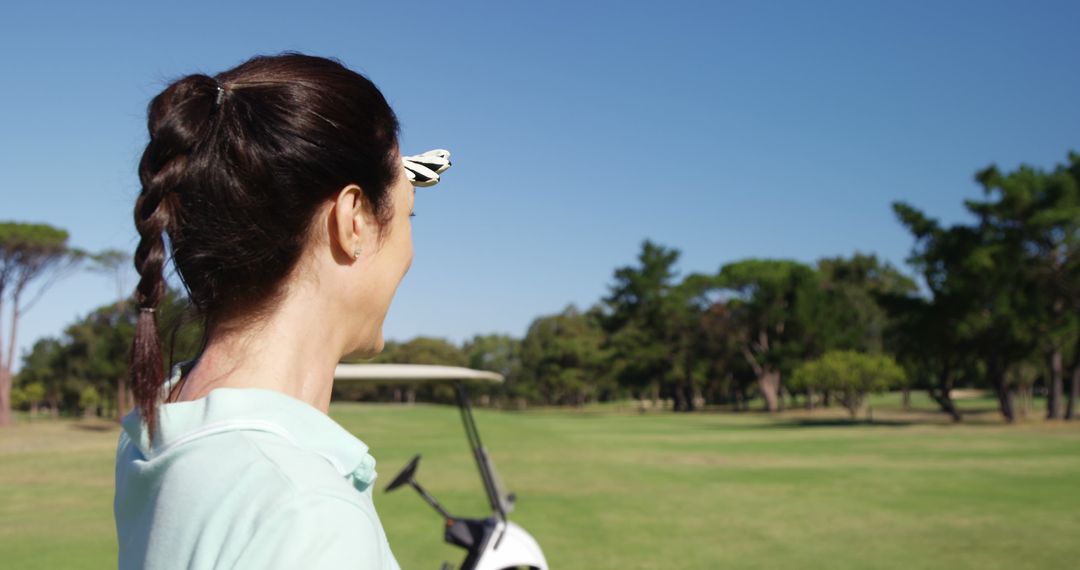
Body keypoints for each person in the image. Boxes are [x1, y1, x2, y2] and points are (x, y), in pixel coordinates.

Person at [114, 53, 444, 569]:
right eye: (408, 214)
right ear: (352, 220)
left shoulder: (158, 435)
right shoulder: (308, 514)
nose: (411, 253)